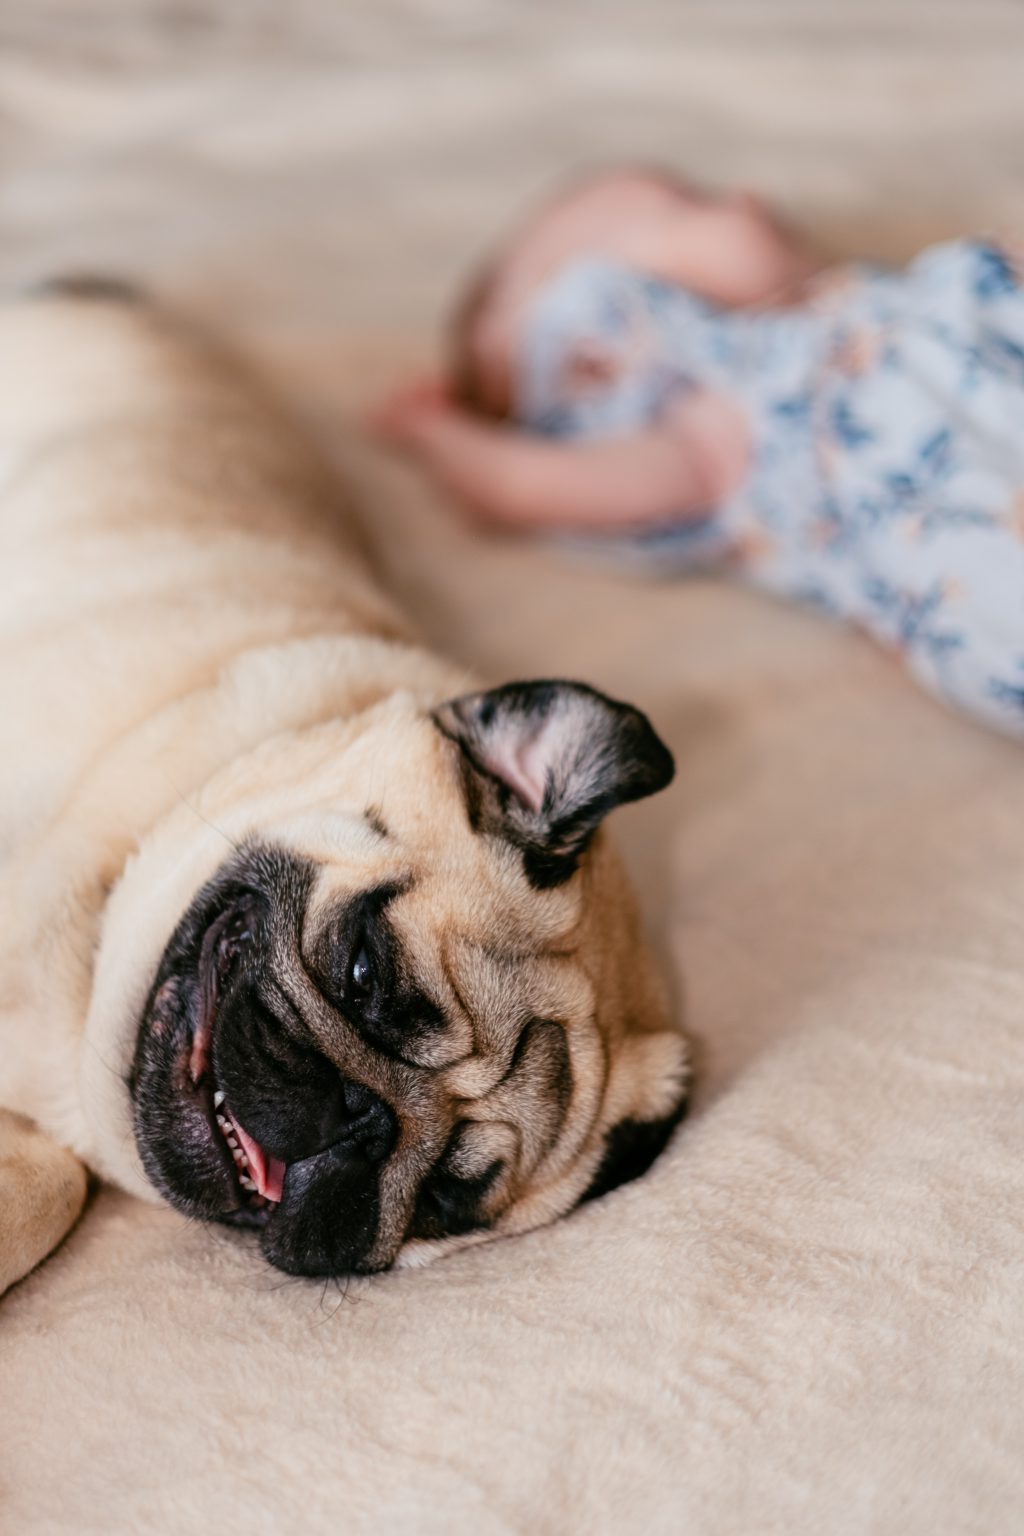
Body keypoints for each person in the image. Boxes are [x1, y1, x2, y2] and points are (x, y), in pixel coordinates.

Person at [373, 168, 1024, 738]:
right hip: (963, 519)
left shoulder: (870, 304)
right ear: (595, 335)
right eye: (689, 202)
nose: (748, 195)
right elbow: (516, 487)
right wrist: (433, 430)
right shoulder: (706, 435)